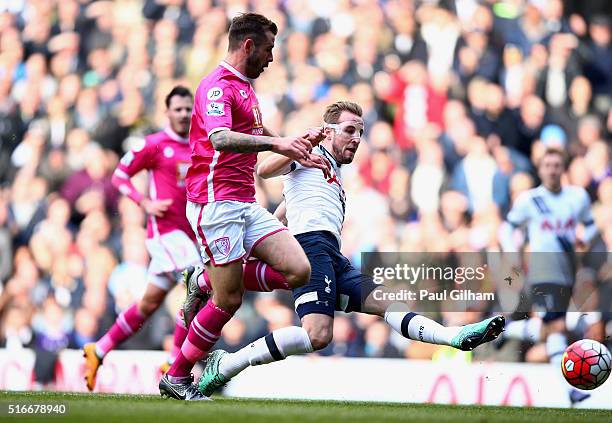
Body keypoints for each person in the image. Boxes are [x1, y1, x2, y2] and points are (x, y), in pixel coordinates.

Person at [185, 101, 504, 397]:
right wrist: (302, 146)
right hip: (310, 248)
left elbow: (288, 206)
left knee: (385, 302)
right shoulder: (307, 155)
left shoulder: (333, 171)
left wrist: (265, 233)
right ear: (328, 131)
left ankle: (454, 337)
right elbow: (266, 170)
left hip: (333, 254)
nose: (357, 138)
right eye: (350, 130)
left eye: (361, 132)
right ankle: (226, 365)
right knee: (317, 335)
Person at [158, 13, 328, 401]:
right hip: (214, 205)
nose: (272, 57)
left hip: (245, 203)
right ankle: (178, 375)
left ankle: (202, 280)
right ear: (248, 45)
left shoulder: (247, 88)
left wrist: (296, 144)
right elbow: (219, 138)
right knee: (229, 300)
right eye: (268, 48)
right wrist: (277, 145)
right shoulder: (216, 86)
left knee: (299, 271)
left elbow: (262, 135)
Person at [82, 86, 203, 391]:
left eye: (188, 109)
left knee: (148, 304)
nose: (184, 114)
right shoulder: (154, 145)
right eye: (178, 109)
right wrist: (144, 202)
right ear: (167, 112)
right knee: (197, 282)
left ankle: (98, 350)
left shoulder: (198, 145)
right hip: (165, 235)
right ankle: (174, 362)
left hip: (188, 236)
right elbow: (120, 176)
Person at [498, 147, 599, 405]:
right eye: (547, 165)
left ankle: (504, 328)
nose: (552, 170)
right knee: (556, 328)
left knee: (551, 329)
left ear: (563, 168)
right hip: (542, 272)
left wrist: (582, 240)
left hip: (567, 273)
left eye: (556, 165)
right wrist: (513, 256)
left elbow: (590, 225)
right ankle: (570, 389)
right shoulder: (530, 200)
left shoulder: (577, 197)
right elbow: (507, 228)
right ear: (540, 169)